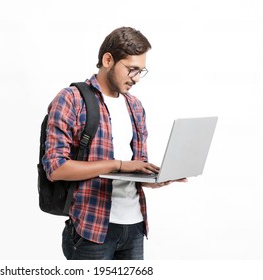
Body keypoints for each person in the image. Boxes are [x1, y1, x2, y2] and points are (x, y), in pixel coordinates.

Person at [42, 27, 186, 260]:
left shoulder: (135, 106)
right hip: (91, 230)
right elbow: (56, 168)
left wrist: (155, 179)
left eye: (141, 71)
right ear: (108, 59)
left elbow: (133, 171)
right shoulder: (71, 99)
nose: (137, 79)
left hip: (135, 227)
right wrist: (118, 165)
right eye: (132, 70)